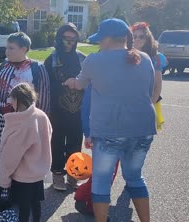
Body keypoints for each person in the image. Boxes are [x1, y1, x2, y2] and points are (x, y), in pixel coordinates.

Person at [64, 18, 156, 222]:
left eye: (100, 39)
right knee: (135, 178)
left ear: (107, 39)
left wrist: (72, 83)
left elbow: (80, 84)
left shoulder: (94, 60)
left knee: (101, 183)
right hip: (142, 129)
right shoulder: (144, 59)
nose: (98, 43)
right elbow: (147, 92)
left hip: (109, 131)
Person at [0, 32, 50, 202]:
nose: (7, 52)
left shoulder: (37, 68)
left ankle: (17, 193)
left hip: (24, 122)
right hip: (0, 119)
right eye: (7, 47)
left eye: (11, 48)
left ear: (24, 49)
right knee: (0, 154)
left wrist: (40, 122)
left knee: (22, 157)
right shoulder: (3, 66)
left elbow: (44, 95)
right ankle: (0, 190)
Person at [0, 82, 52, 222]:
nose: (10, 103)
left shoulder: (21, 124)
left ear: (17, 100)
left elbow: (11, 156)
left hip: (23, 175)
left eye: (11, 99)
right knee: (36, 203)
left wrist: (4, 180)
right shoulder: (41, 115)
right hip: (38, 172)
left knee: (23, 208)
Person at [43, 23, 86, 191]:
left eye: (73, 39)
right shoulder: (51, 60)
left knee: (76, 143)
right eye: (66, 39)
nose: (69, 43)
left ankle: (73, 174)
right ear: (59, 39)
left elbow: (90, 81)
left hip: (78, 110)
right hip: (57, 109)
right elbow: (45, 85)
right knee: (57, 143)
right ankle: (57, 174)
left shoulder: (82, 58)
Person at [131, 22, 167, 130]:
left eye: (141, 36)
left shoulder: (155, 57)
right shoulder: (127, 54)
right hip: (128, 103)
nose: (137, 39)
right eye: (134, 36)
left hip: (146, 102)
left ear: (147, 38)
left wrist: (149, 106)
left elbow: (157, 85)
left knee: (142, 137)